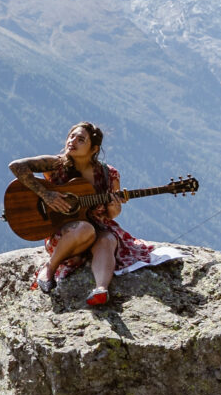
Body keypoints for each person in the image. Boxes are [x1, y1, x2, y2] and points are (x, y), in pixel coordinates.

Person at [11, 122, 168, 306]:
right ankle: (50, 268)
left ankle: (101, 290)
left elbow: (110, 215)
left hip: (98, 227)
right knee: (85, 229)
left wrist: (115, 206)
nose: (72, 141)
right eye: (71, 137)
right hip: (65, 233)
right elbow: (17, 166)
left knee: (108, 240)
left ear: (93, 149)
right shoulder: (55, 164)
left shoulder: (109, 175)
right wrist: (47, 195)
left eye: (80, 139)